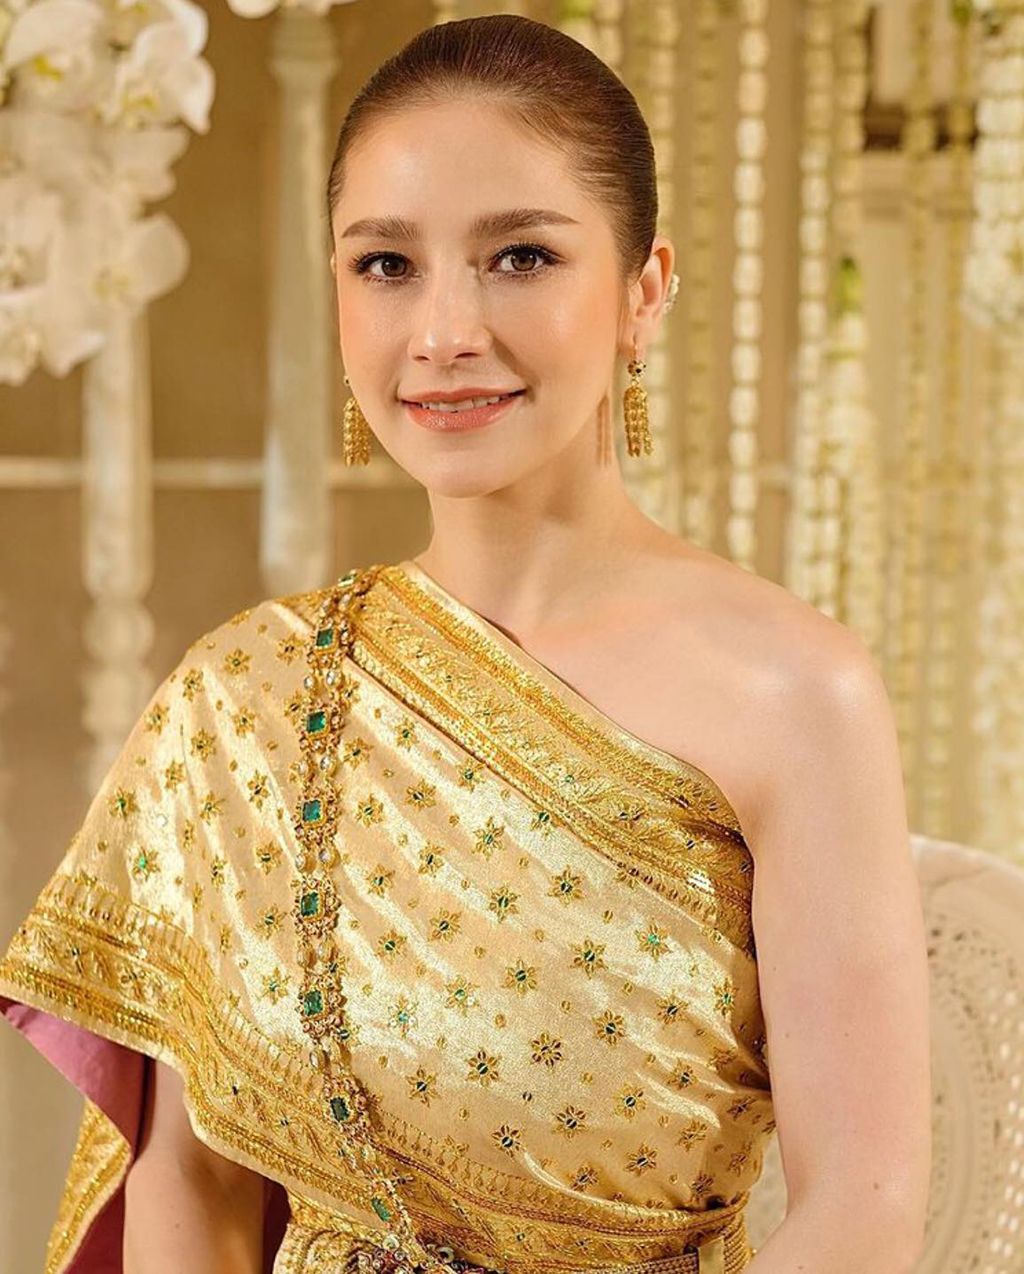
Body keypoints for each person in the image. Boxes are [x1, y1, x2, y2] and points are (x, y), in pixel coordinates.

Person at [0, 14, 932, 1274]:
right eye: (386, 264)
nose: (442, 330)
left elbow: (864, 1208)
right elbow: (190, 1179)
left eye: (520, 257)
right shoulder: (244, 696)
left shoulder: (793, 694)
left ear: (644, 290)